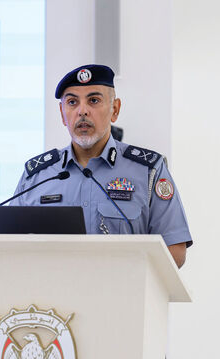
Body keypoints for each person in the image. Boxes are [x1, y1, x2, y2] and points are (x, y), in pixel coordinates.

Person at [11, 64, 192, 267]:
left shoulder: (149, 171)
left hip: (121, 295)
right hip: (51, 297)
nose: (82, 111)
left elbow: (175, 250)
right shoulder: (37, 175)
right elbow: (7, 245)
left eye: (94, 101)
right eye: (72, 102)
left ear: (115, 110)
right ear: (62, 114)